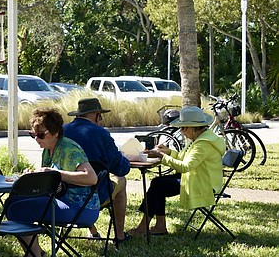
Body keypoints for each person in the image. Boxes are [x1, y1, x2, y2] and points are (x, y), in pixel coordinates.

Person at [12, 108, 99, 257]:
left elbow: (91, 178)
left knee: (18, 210)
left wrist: (55, 174)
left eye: (41, 135)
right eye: (33, 134)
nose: (36, 139)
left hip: (82, 206)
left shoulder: (69, 149)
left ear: (56, 133)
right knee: (14, 204)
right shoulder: (48, 149)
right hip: (61, 200)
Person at [128, 105, 225, 236]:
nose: (182, 131)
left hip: (204, 185)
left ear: (193, 127)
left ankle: (144, 227)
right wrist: (167, 152)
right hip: (197, 178)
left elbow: (185, 166)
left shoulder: (203, 144)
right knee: (158, 183)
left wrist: (162, 157)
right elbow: (183, 158)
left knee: (158, 185)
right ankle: (158, 226)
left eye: (183, 127)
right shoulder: (200, 139)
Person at [63, 97, 136, 246]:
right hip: (94, 194)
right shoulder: (100, 133)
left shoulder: (62, 131)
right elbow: (120, 168)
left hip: (63, 193)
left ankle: (93, 231)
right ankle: (120, 236)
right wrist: (125, 158)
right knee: (121, 180)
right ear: (97, 114)